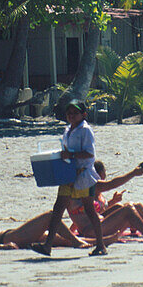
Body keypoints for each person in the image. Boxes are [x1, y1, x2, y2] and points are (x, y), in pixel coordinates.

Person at [31, 99, 107, 256]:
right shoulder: (68, 129)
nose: (71, 116)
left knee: (89, 209)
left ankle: (101, 245)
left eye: (75, 113)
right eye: (69, 113)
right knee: (58, 209)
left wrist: (70, 155)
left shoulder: (85, 130)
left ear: (83, 115)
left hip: (83, 175)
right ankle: (48, 246)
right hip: (69, 174)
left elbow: (90, 153)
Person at [66, 161, 143, 243]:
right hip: (92, 231)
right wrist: (133, 174)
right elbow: (111, 184)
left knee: (135, 206)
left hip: (99, 224)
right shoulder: (80, 187)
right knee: (128, 209)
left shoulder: (83, 185)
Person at [0, 211, 105, 250]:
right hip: (11, 238)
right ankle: (78, 241)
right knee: (50, 216)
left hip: (13, 236)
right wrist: (3, 248)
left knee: (58, 239)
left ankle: (102, 241)